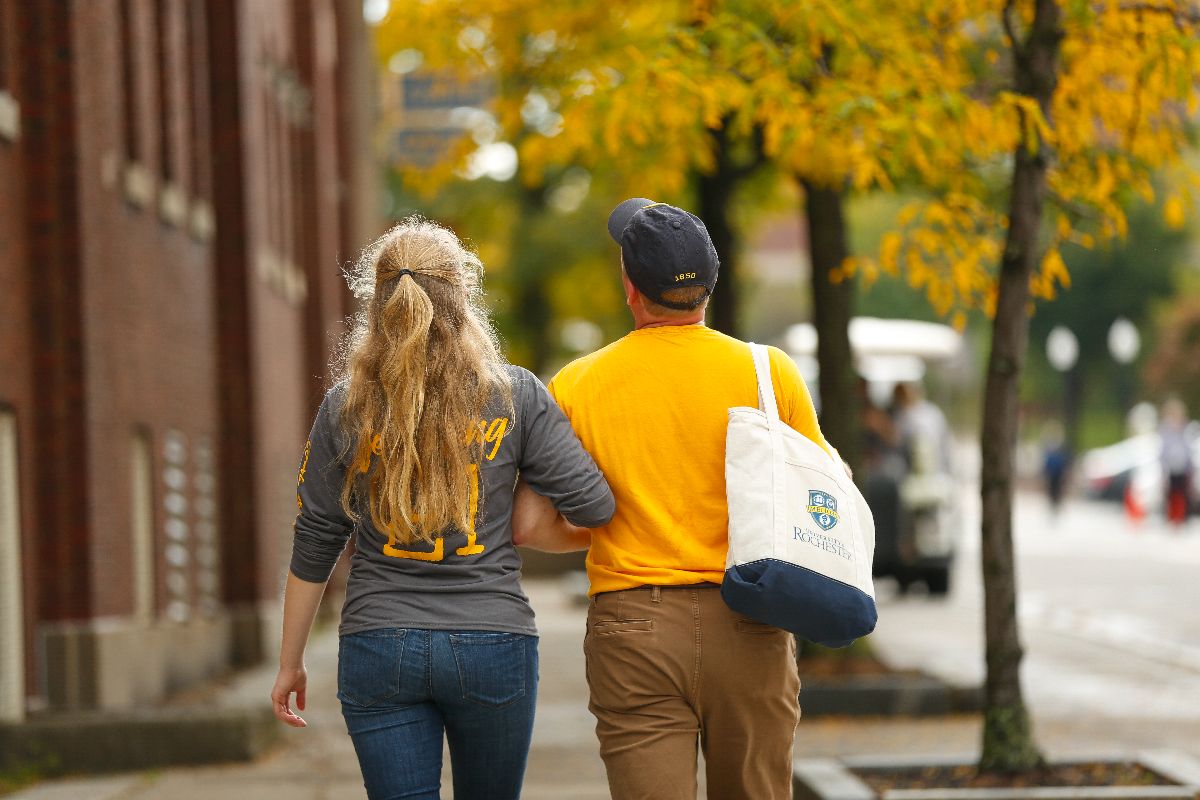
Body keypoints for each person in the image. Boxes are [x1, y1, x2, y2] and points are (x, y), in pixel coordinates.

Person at [269, 218, 615, 800]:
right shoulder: (515, 395)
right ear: (462, 296)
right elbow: (594, 504)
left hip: (379, 644)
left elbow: (316, 539)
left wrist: (290, 663)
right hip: (492, 641)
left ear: (378, 302)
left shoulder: (345, 408)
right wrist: (525, 490)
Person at [514, 198, 835, 800]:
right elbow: (820, 492)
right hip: (751, 620)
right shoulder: (771, 374)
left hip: (632, 627)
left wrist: (610, 528)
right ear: (709, 285)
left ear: (631, 288)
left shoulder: (577, 385)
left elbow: (530, 526)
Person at [1159, 396, 1194, 526]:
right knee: (1171, 493)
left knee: (1183, 492)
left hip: (1183, 467)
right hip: (1171, 467)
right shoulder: (1166, 430)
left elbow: (1188, 449)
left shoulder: (1185, 428)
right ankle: (1172, 517)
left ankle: (1182, 517)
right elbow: (1164, 451)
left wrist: (1190, 468)